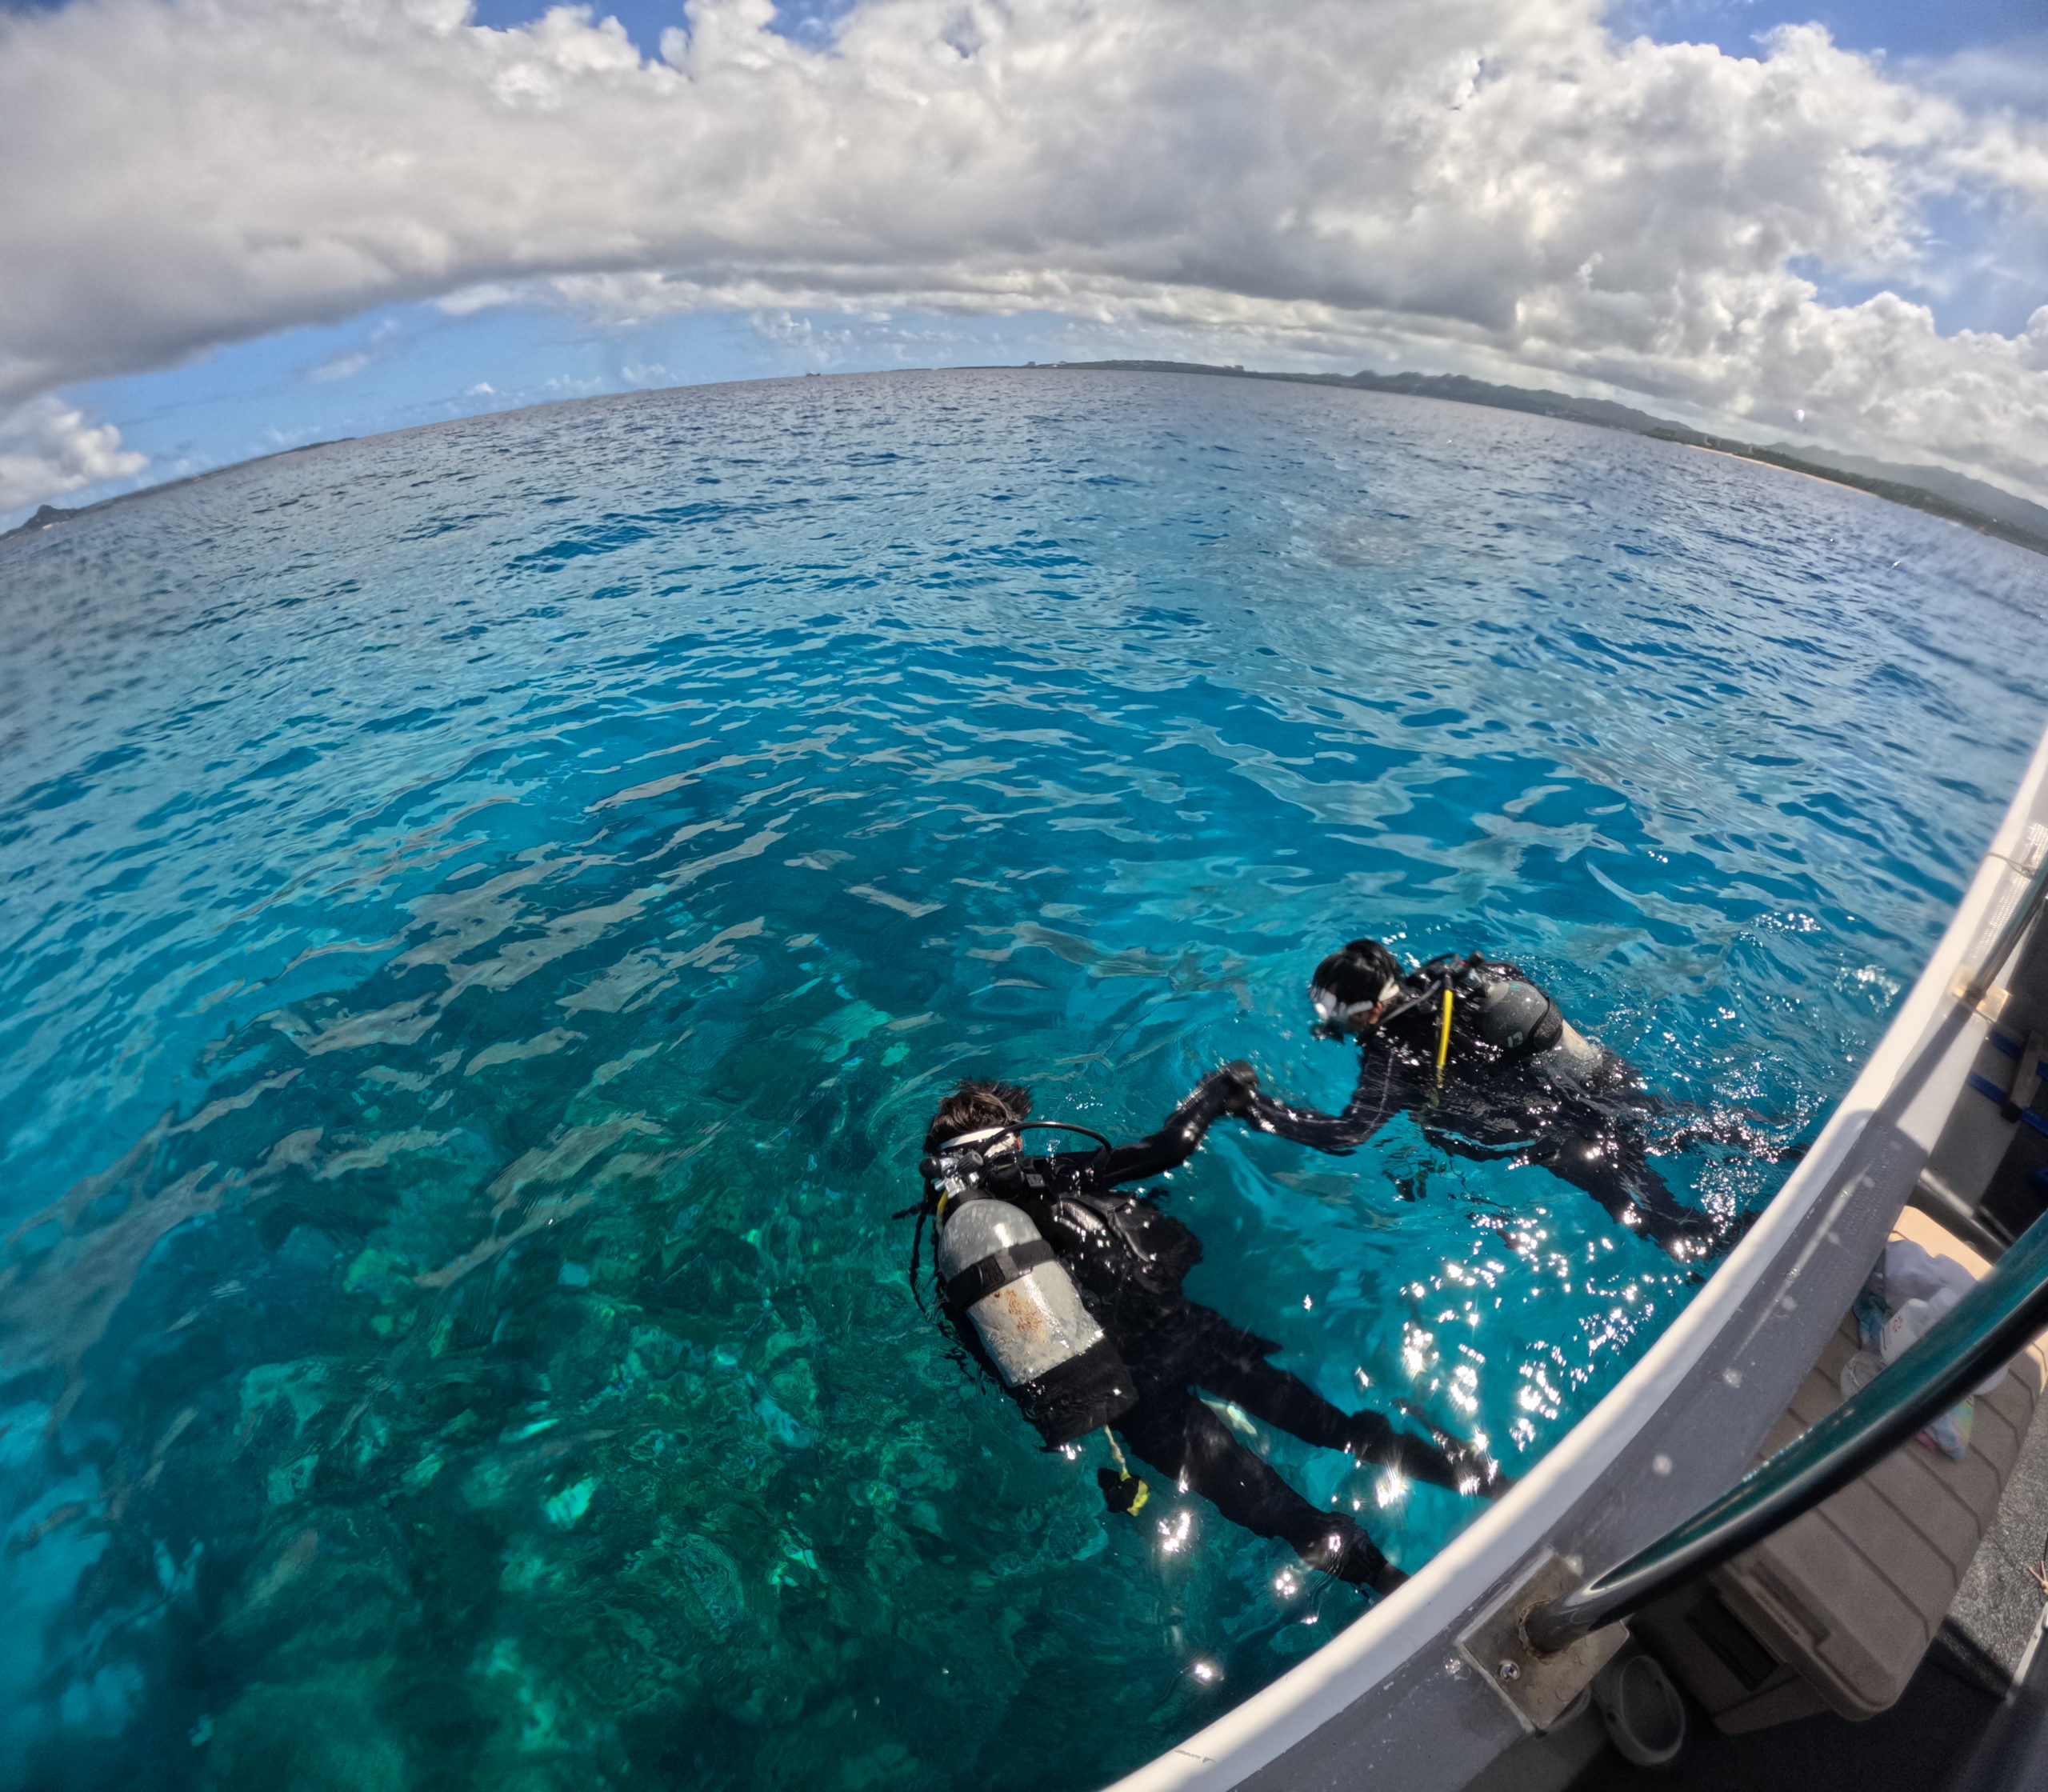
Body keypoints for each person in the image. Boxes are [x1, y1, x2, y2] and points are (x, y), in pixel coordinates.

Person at [914, 1069, 1506, 1597]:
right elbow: (1170, 1145)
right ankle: (1490, 1486)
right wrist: (1215, 1093)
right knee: (1337, 1429)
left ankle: (1392, 1588)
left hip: (1132, 1397)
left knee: (1274, 1508)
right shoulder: (1050, 1176)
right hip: (1187, 1335)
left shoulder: (955, 1258)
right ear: (1002, 1146)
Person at [1243, 939, 1734, 1258]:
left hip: (1551, 1131)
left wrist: (1254, 1107)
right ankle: (1782, 1149)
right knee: (1687, 1127)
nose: (1329, 1018)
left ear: (1372, 1009)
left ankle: (1728, 1245)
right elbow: (1521, 982)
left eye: (1333, 1009)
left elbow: (1347, 1133)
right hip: (1598, 1082)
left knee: (1638, 1207)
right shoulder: (1459, 981)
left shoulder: (1392, 1056)